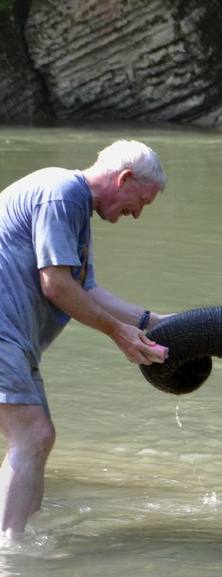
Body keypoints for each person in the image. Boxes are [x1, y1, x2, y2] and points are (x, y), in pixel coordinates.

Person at [0, 140, 170, 545]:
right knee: (32, 437)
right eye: (140, 200)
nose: (138, 213)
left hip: (17, 340)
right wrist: (118, 333)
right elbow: (56, 285)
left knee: (39, 439)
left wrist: (153, 322)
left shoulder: (72, 206)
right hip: (4, 333)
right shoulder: (62, 192)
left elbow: (84, 288)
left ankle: (25, 538)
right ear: (124, 178)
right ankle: (10, 553)